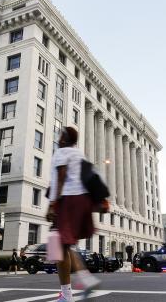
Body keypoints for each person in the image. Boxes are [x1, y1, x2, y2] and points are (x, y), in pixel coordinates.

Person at [46, 126, 101, 301]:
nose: (58, 137)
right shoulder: (79, 154)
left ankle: (69, 294)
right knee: (65, 246)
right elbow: (90, 177)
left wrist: (53, 204)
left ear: (64, 139)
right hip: (82, 201)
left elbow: (61, 177)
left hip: (68, 201)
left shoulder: (62, 153)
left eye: (60, 135)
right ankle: (84, 282)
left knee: (59, 249)